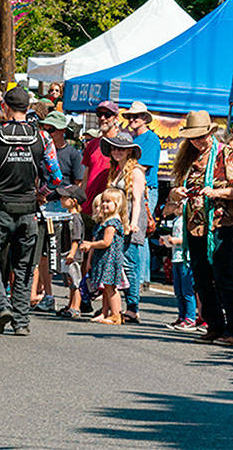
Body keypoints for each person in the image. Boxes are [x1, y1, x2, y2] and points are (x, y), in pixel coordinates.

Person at [0, 86, 63, 337]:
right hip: (28, 210)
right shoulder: (42, 137)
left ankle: (1, 307)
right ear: (28, 107)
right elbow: (56, 177)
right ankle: (21, 321)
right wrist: (41, 194)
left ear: (6, 108)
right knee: (24, 265)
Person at [166, 110, 233, 345]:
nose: (199, 141)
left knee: (224, 275)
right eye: (194, 137)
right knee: (200, 276)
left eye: (201, 136)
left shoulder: (225, 153)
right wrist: (175, 193)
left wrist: (216, 192)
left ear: (210, 133)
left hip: (220, 224)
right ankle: (214, 324)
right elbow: (176, 188)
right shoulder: (188, 157)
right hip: (194, 225)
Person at [104, 132, 146, 323]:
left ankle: (133, 308)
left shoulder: (136, 171)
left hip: (130, 220)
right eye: (113, 148)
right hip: (116, 221)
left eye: (120, 148)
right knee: (117, 263)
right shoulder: (116, 169)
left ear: (129, 151)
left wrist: (133, 223)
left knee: (130, 265)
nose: (116, 151)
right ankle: (114, 307)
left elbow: (137, 201)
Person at [123, 101, 161, 291]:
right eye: (130, 116)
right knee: (136, 231)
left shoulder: (151, 139)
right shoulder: (132, 138)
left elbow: (142, 167)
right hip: (132, 187)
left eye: (135, 116)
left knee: (140, 230)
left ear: (145, 118)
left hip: (147, 189)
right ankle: (137, 277)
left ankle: (140, 278)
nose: (132, 119)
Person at [81, 188, 129, 325]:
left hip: (110, 259)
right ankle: (104, 312)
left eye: (108, 201)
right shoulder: (107, 220)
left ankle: (116, 315)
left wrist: (90, 244)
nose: (104, 204)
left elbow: (106, 242)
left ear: (118, 204)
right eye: (103, 201)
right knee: (106, 288)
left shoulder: (112, 223)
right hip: (104, 259)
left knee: (111, 288)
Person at [53, 185, 88, 319]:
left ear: (74, 201)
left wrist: (72, 253)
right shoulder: (68, 216)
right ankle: (70, 305)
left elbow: (76, 238)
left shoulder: (76, 218)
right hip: (67, 254)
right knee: (70, 282)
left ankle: (76, 307)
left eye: (64, 197)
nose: (61, 199)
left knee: (76, 282)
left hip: (73, 255)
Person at [83, 101, 122, 208]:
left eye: (107, 115)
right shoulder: (92, 144)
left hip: (111, 206)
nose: (103, 118)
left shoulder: (122, 146)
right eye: (100, 114)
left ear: (116, 118)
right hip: (89, 205)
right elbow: (86, 175)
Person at [41, 111, 83, 185]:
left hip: (64, 195)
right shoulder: (40, 152)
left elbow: (79, 183)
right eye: (45, 130)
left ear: (63, 130)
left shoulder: (74, 154)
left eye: (51, 130)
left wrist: (70, 196)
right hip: (43, 195)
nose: (47, 134)